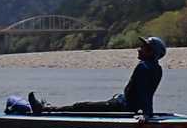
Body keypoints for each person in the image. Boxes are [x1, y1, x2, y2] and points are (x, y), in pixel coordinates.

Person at [29, 36, 166, 116]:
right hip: (125, 104)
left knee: (81, 106)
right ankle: (49, 109)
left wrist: (147, 115)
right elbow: (147, 93)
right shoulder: (157, 68)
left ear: (151, 52)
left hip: (123, 107)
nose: (139, 49)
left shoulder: (144, 67)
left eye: (143, 47)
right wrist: (147, 111)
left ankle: (45, 110)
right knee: (85, 106)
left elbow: (144, 92)